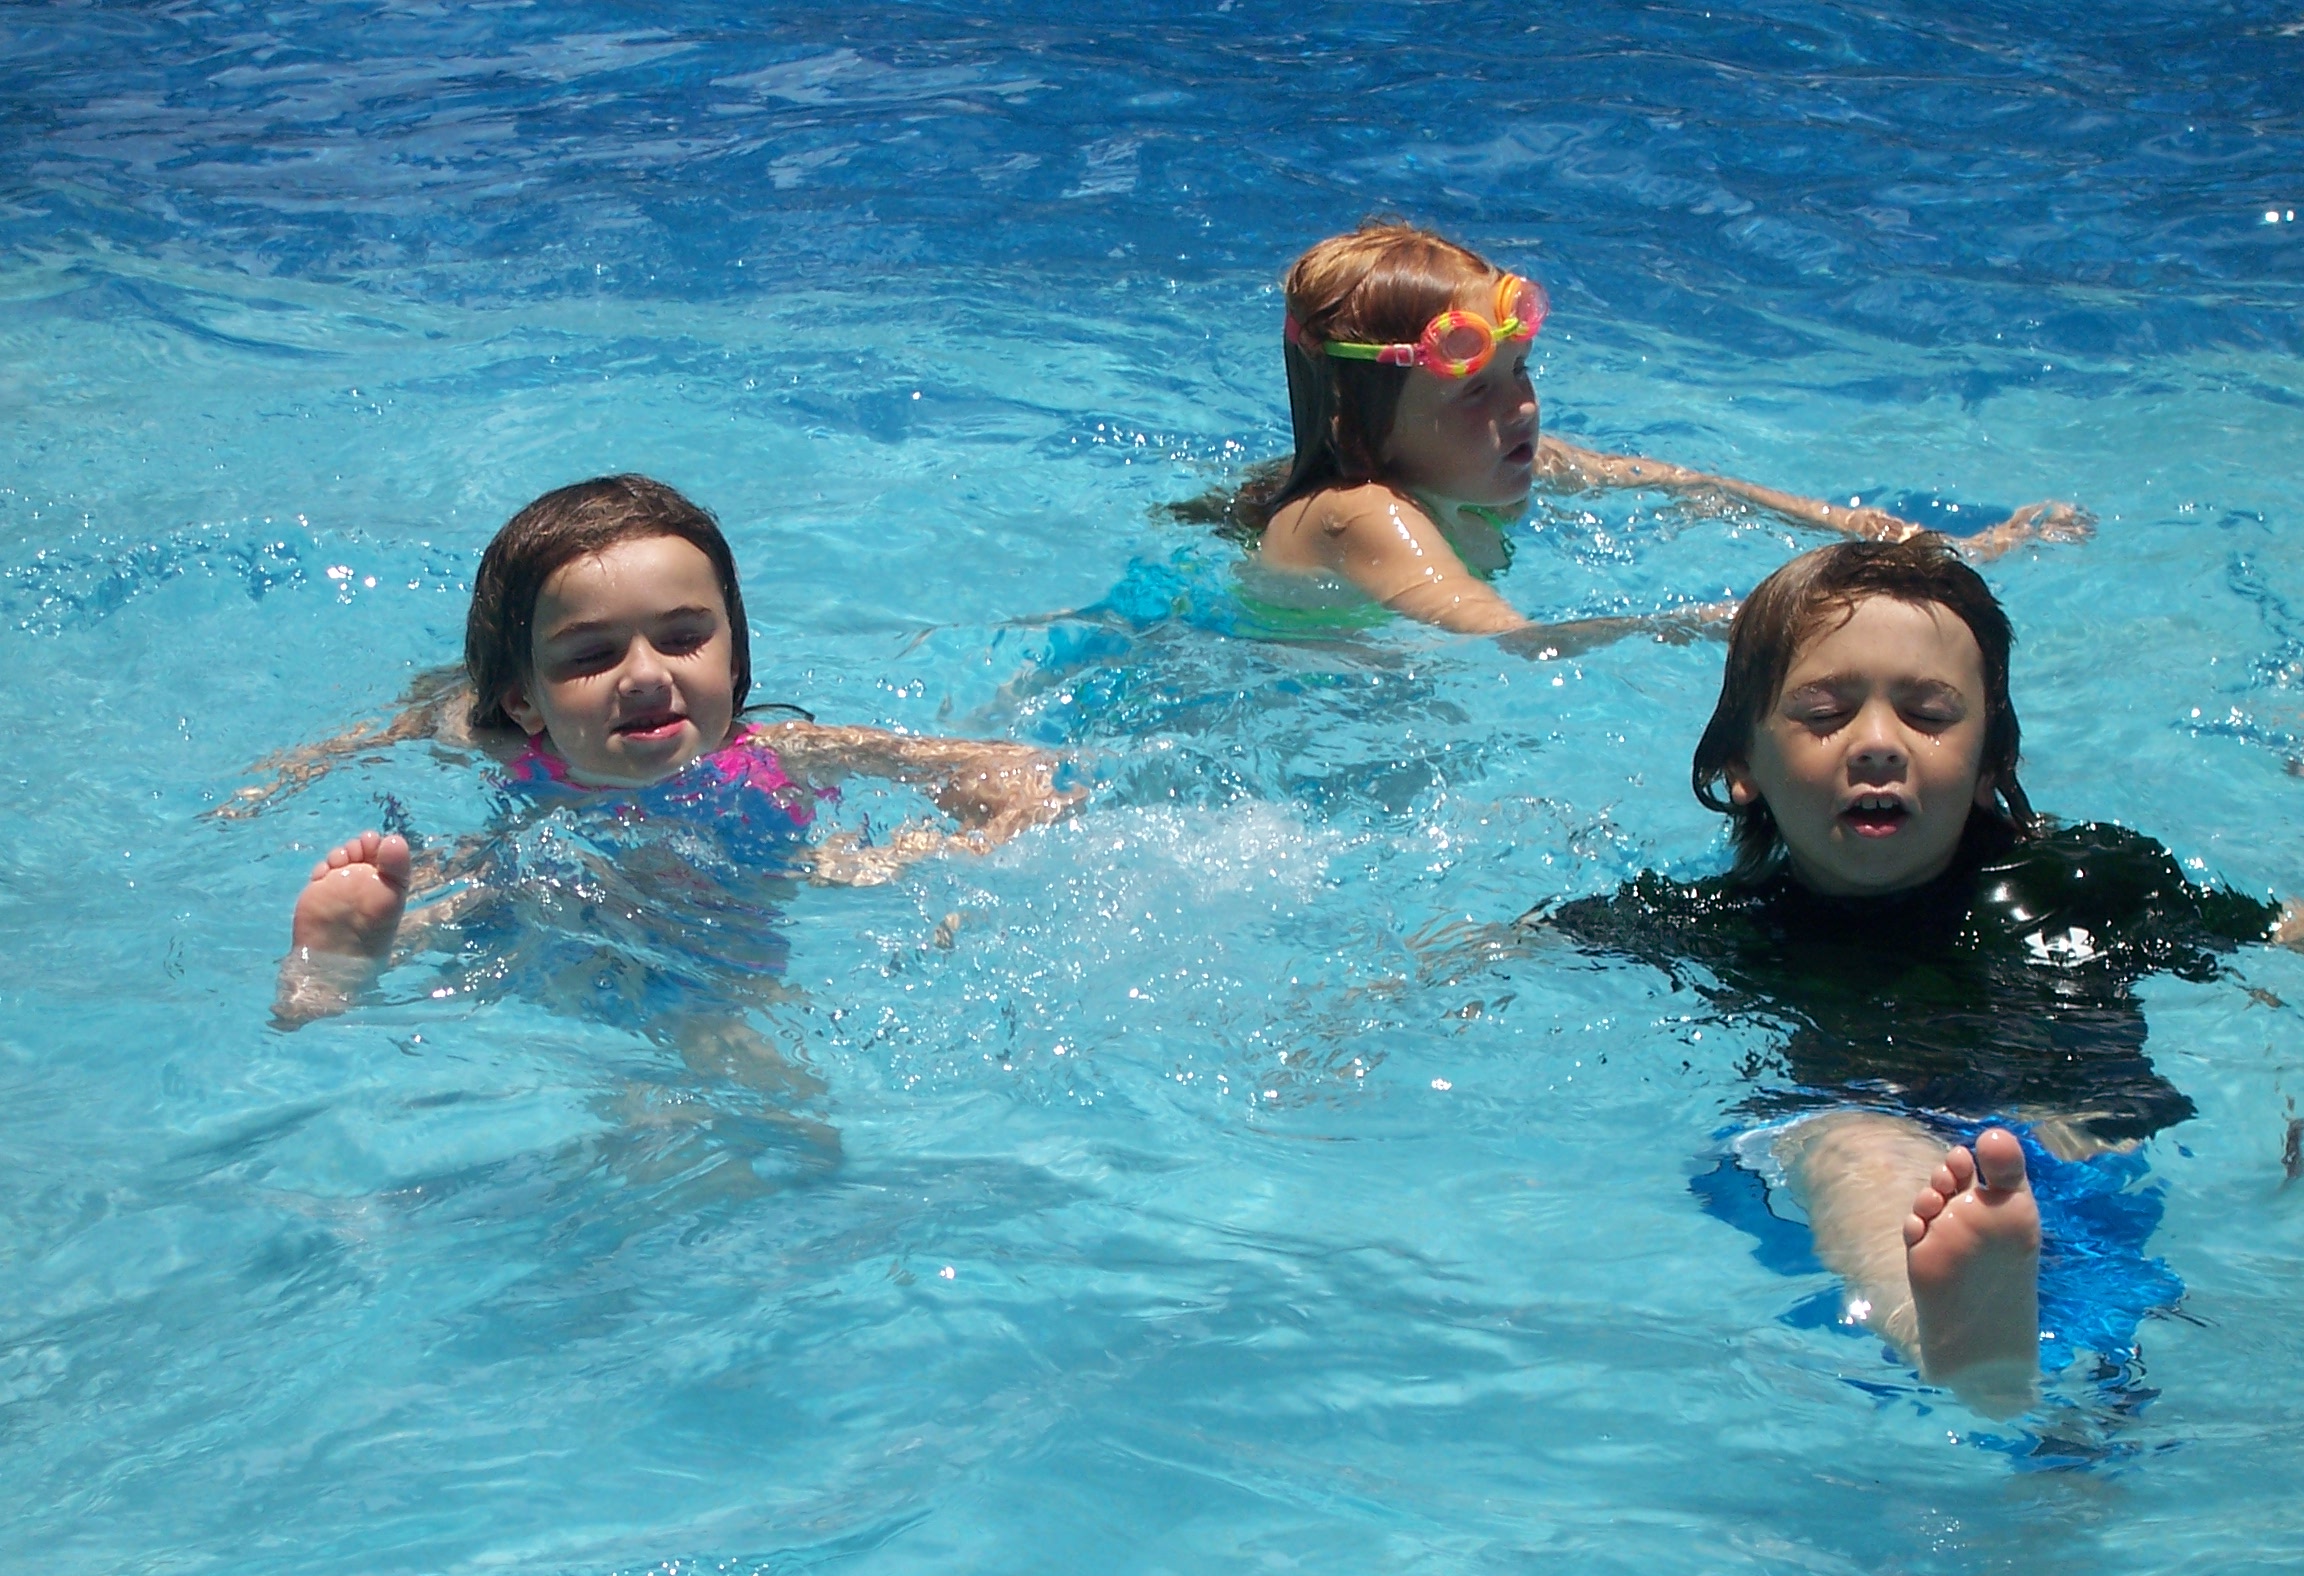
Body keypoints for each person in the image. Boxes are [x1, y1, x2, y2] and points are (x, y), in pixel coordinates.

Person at [1524, 537, 2296, 1412]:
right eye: (1825, 713)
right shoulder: (1717, 924)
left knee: (2085, 1130)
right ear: (1742, 767)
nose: (1879, 744)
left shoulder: (2085, 885)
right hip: (1879, 1131)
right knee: (1849, 1143)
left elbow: (2277, 934)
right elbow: (1516, 943)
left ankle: (1992, 1325)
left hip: (2075, 1124)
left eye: (1929, 713)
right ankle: (1960, 1337)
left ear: (1990, 765)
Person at [272, 474, 1081, 1023]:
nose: (644, 676)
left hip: (726, 902)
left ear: (732, 660)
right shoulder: (507, 742)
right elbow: (437, 705)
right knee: (480, 892)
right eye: (592, 656)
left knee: (832, 890)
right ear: (525, 700)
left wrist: (989, 820)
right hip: (560, 885)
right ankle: (335, 968)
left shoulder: (784, 750)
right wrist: (318, 758)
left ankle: (348, 972)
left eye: (684, 638)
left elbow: (989, 765)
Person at [1215, 221, 2090, 647]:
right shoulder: (1362, 513)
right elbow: (1514, 641)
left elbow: (1694, 485)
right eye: (1475, 392)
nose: (1519, 409)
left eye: (1521, 373)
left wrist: (1901, 540)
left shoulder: (1482, 461)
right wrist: (1718, 624)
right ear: (1358, 427)